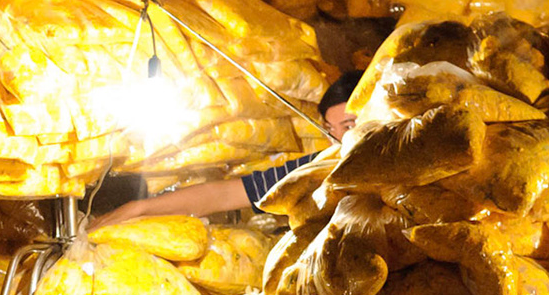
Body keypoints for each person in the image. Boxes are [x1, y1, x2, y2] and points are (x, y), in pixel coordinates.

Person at [92, 71, 362, 224]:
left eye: (349, 126)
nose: (339, 141)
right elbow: (222, 196)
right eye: (330, 130)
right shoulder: (316, 170)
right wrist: (138, 209)